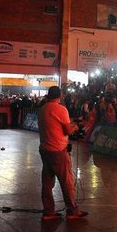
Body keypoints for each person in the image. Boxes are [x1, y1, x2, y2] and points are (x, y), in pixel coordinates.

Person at [37, 86, 87, 221]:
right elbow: (67, 131)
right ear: (60, 96)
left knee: (47, 182)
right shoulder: (61, 109)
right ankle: (72, 210)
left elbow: (54, 126)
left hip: (45, 149)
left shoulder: (42, 109)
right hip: (58, 150)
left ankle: (48, 211)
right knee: (66, 182)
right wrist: (76, 126)